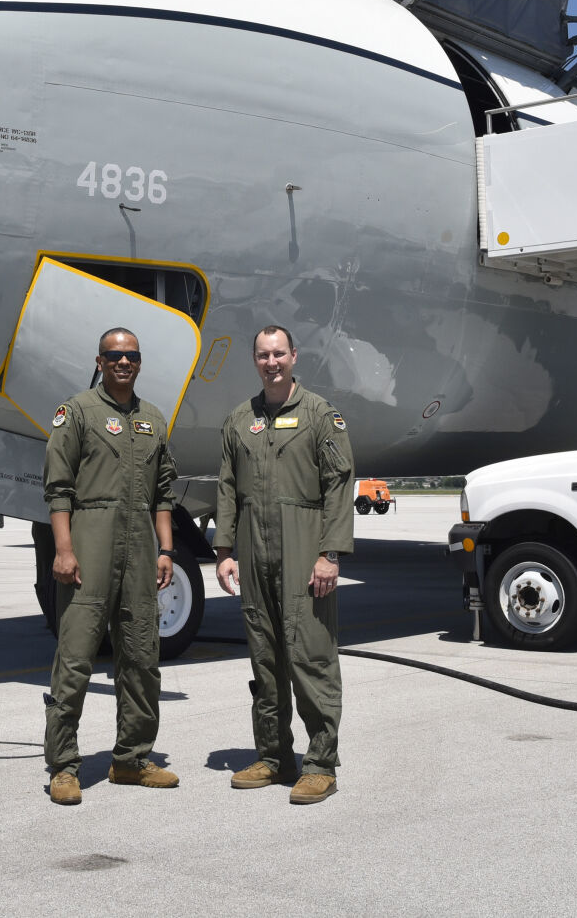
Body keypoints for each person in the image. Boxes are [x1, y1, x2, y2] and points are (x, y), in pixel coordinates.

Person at [215, 325, 354, 804]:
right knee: (265, 658)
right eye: (262, 355)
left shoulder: (320, 415)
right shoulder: (239, 420)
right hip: (254, 552)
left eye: (278, 354)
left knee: (311, 656)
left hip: (304, 548)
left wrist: (329, 552)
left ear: (294, 356)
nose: (271, 362)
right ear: (255, 360)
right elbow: (228, 488)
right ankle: (274, 757)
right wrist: (225, 549)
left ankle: (320, 763)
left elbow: (339, 482)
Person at [42, 327, 180, 805]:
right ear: (99, 362)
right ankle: (63, 765)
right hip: (90, 543)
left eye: (132, 355)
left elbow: (163, 493)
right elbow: (58, 488)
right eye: (114, 355)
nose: (124, 362)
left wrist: (166, 551)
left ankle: (132, 759)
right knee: (76, 658)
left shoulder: (154, 420)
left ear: (139, 363)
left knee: (142, 657)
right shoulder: (76, 412)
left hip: (141, 549)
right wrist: (64, 549)